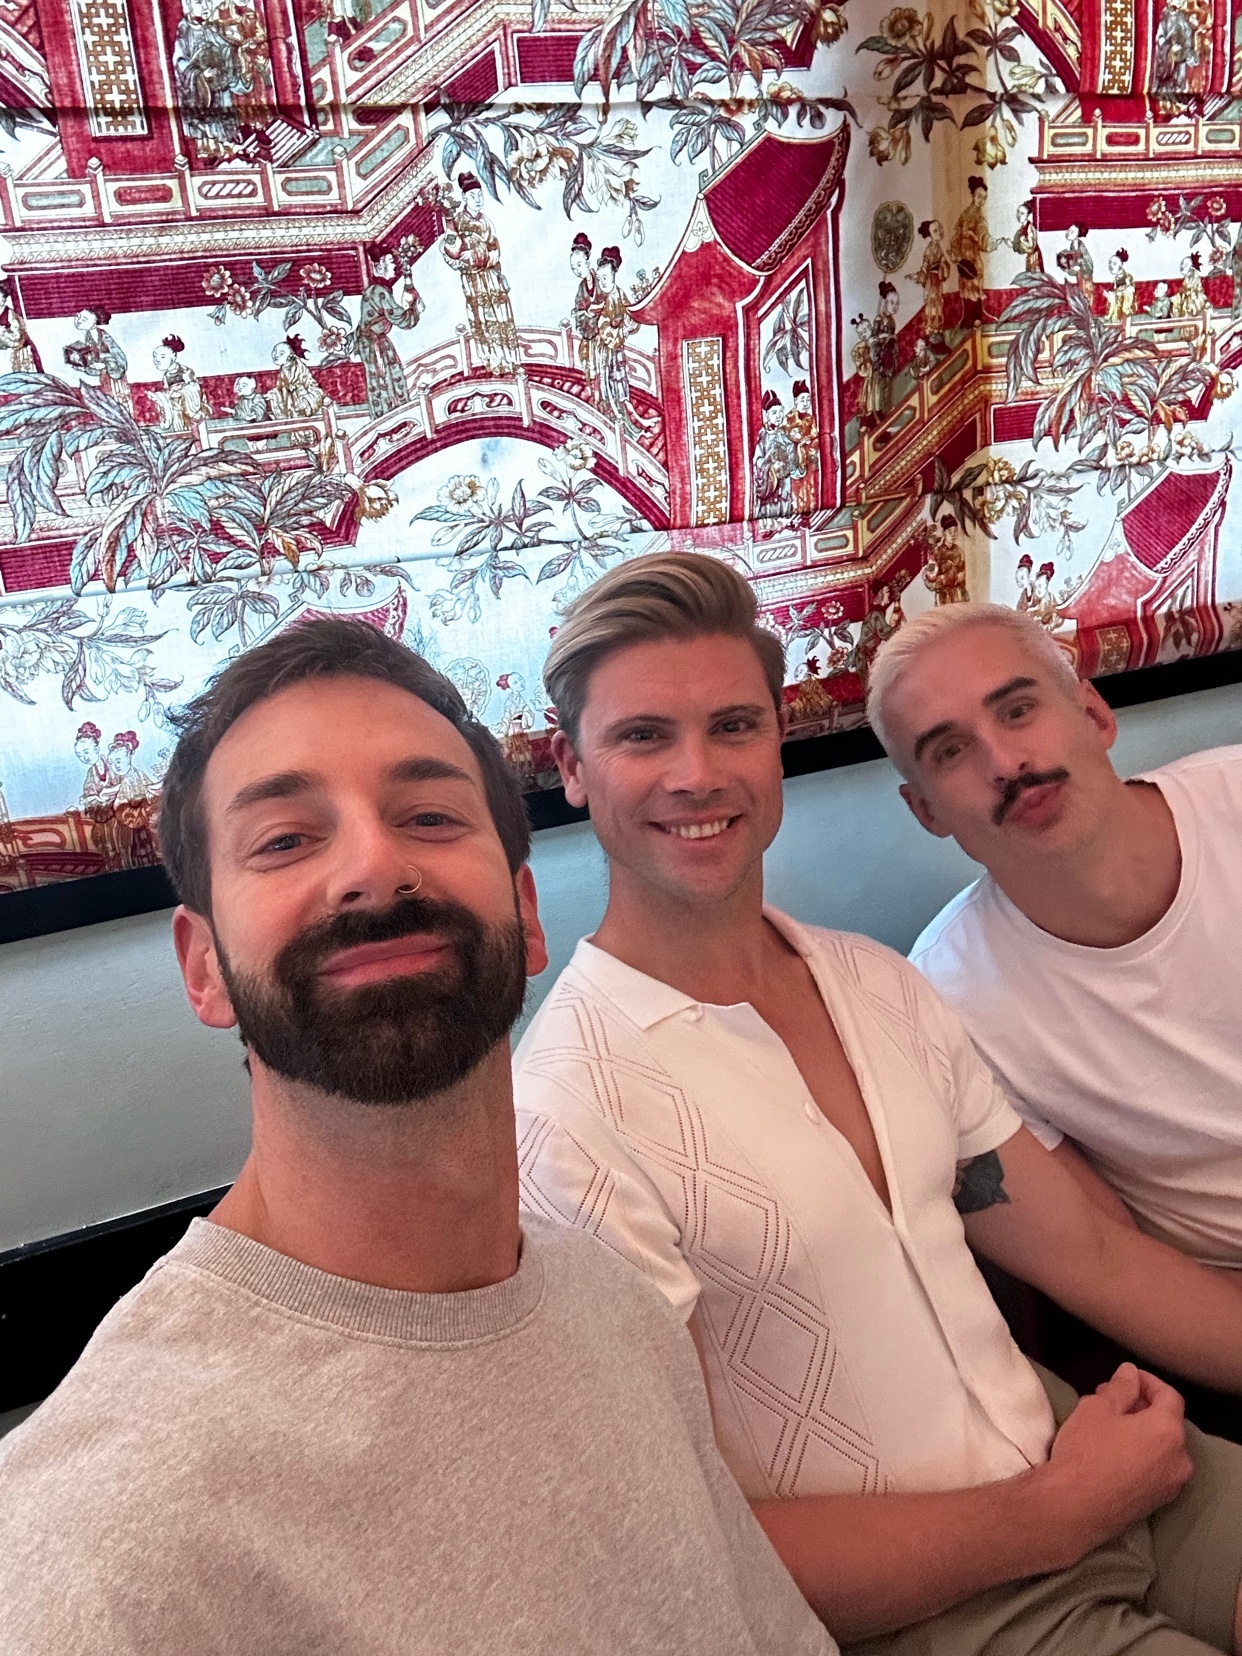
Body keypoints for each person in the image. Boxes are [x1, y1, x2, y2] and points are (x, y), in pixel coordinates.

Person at [0, 617, 832, 1656]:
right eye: (285, 840)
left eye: (430, 816)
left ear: (528, 915)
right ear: (203, 968)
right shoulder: (92, 1552)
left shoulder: (615, 1305)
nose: (374, 867)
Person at [514, 551, 1242, 1656]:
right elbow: (680, 1550)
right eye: (644, 737)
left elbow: (1091, 1251)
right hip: (949, 1598)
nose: (696, 775)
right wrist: (1050, 1516)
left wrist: (1078, 1485)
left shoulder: (878, 984)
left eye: (733, 727)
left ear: (778, 739)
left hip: (1096, 1461)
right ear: (571, 767)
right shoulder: (565, 1115)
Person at [864, 600, 1242, 1275]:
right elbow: (1109, 1259)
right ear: (925, 811)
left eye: (1018, 711)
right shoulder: (946, 1005)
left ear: (1094, 714)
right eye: (951, 751)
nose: (1006, 762)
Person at [441, 172, 520, 377]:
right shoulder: (457, 222)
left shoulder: (486, 222)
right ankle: (492, 361)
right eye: (472, 195)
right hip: (473, 281)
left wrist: (479, 255)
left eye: (480, 195)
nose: (477, 199)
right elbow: (449, 250)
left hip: (491, 278)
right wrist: (464, 259)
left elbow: (495, 251)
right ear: (464, 198)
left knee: (501, 317)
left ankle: (510, 360)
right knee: (482, 320)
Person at [356, 243, 424, 416]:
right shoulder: (379, 291)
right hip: (375, 344)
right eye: (390, 262)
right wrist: (415, 310)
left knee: (384, 380)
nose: (394, 266)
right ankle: (394, 418)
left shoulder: (376, 289)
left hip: (373, 342)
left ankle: (392, 417)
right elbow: (401, 318)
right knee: (387, 379)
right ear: (380, 266)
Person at [949, 176, 992, 328]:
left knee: (974, 285)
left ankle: (976, 317)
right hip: (964, 258)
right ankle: (967, 318)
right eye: (979, 196)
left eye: (984, 198)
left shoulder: (980, 218)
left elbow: (983, 234)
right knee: (965, 286)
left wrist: (977, 237)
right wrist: (954, 250)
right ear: (973, 195)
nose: (981, 200)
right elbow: (957, 236)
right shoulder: (965, 214)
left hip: (973, 258)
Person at [151, 335, 207, 431]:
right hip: (176, 411)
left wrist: (181, 393)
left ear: (172, 358)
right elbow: (167, 392)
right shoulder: (166, 376)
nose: (157, 360)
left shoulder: (185, 371)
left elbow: (194, 388)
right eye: (155, 357)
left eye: (162, 357)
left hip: (189, 408)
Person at [267, 334, 327, 419]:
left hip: (302, 404)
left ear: (290, 356)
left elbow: (314, 388)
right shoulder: (283, 371)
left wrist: (307, 402)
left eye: (281, 353)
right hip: (289, 406)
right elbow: (280, 389)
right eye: (274, 351)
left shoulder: (300, 368)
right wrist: (273, 395)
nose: (275, 355)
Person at [908, 219, 949, 340]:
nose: (939, 232)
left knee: (939, 302)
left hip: (938, 280)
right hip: (931, 280)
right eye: (935, 231)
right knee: (932, 303)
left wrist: (944, 264)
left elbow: (943, 262)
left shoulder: (939, 248)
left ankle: (938, 328)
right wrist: (919, 275)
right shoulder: (929, 250)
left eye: (939, 229)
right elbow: (925, 266)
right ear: (930, 235)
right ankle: (931, 329)